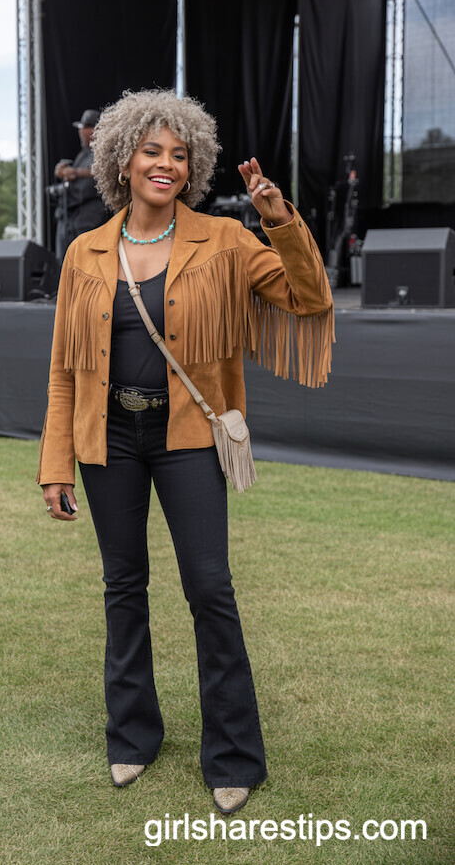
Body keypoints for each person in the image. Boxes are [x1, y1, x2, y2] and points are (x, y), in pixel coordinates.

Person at [37, 89, 334, 816]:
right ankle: (133, 736)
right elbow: (65, 368)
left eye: (179, 154)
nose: (165, 163)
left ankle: (233, 756)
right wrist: (54, 465)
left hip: (189, 438)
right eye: (152, 151)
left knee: (209, 588)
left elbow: (308, 298)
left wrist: (278, 220)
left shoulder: (225, 239)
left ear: (193, 166)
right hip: (107, 439)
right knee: (122, 586)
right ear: (122, 160)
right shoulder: (84, 252)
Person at [53, 108, 109, 260]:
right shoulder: (84, 153)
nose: (80, 132)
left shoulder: (104, 150)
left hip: (90, 215)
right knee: (66, 260)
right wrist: (63, 172)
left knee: (87, 260)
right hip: (71, 216)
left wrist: (75, 172)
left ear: (93, 130)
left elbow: (100, 171)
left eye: (83, 128)